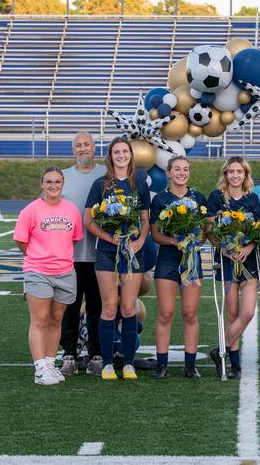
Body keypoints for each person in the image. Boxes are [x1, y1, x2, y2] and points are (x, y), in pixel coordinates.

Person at [84, 137, 151, 381]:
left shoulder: (139, 184)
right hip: (107, 251)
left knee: (128, 307)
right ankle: (108, 364)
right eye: (116, 152)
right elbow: (88, 221)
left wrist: (141, 241)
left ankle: (129, 364)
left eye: (125, 151)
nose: (121, 155)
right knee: (110, 307)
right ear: (110, 156)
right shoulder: (100, 184)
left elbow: (145, 219)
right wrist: (111, 239)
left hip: (133, 251)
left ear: (131, 155)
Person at [14, 166, 84, 385]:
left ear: (63, 184)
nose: (53, 186)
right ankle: (39, 369)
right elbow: (21, 241)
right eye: (49, 182)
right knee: (40, 319)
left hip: (65, 272)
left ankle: (51, 364)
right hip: (38, 271)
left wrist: (58, 256)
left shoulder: (72, 210)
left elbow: (74, 238)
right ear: (41, 185)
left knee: (56, 320)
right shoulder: (30, 210)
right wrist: (40, 257)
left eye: (57, 182)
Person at [149, 155, 207, 379]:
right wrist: (174, 241)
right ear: (168, 173)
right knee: (166, 312)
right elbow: (155, 234)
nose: (182, 173)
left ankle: (190, 365)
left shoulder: (198, 197)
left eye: (186, 169)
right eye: (177, 169)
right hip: (167, 260)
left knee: (190, 313)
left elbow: (205, 231)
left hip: (191, 260)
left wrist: (195, 241)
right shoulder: (160, 199)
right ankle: (161, 363)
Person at [207, 156, 260, 379]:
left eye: (239, 172)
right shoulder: (216, 198)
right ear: (225, 174)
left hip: (248, 262)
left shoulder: (253, 199)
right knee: (232, 313)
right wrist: (222, 247)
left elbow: (259, 231)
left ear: (245, 175)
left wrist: (249, 248)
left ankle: (219, 349)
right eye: (231, 172)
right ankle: (234, 364)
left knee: (247, 312)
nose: (235, 176)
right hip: (227, 262)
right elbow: (209, 230)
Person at [58, 132, 106, 377]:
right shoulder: (62, 177)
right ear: (72, 150)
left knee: (98, 306)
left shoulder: (106, 175)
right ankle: (69, 354)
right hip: (70, 256)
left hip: (101, 255)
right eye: (78, 145)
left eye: (87, 144)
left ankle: (97, 353)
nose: (83, 149)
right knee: (71, 307)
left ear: (94, 148)